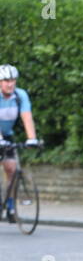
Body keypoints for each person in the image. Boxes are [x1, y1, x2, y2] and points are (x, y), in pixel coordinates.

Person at [0, 64, 39, 215]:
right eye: (6, 81)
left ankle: (10, 205)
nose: (10, 84)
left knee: (12, 169)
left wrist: (32, 139)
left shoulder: (20, 95)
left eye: (12, 80)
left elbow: (27, 117)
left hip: (7, 135)